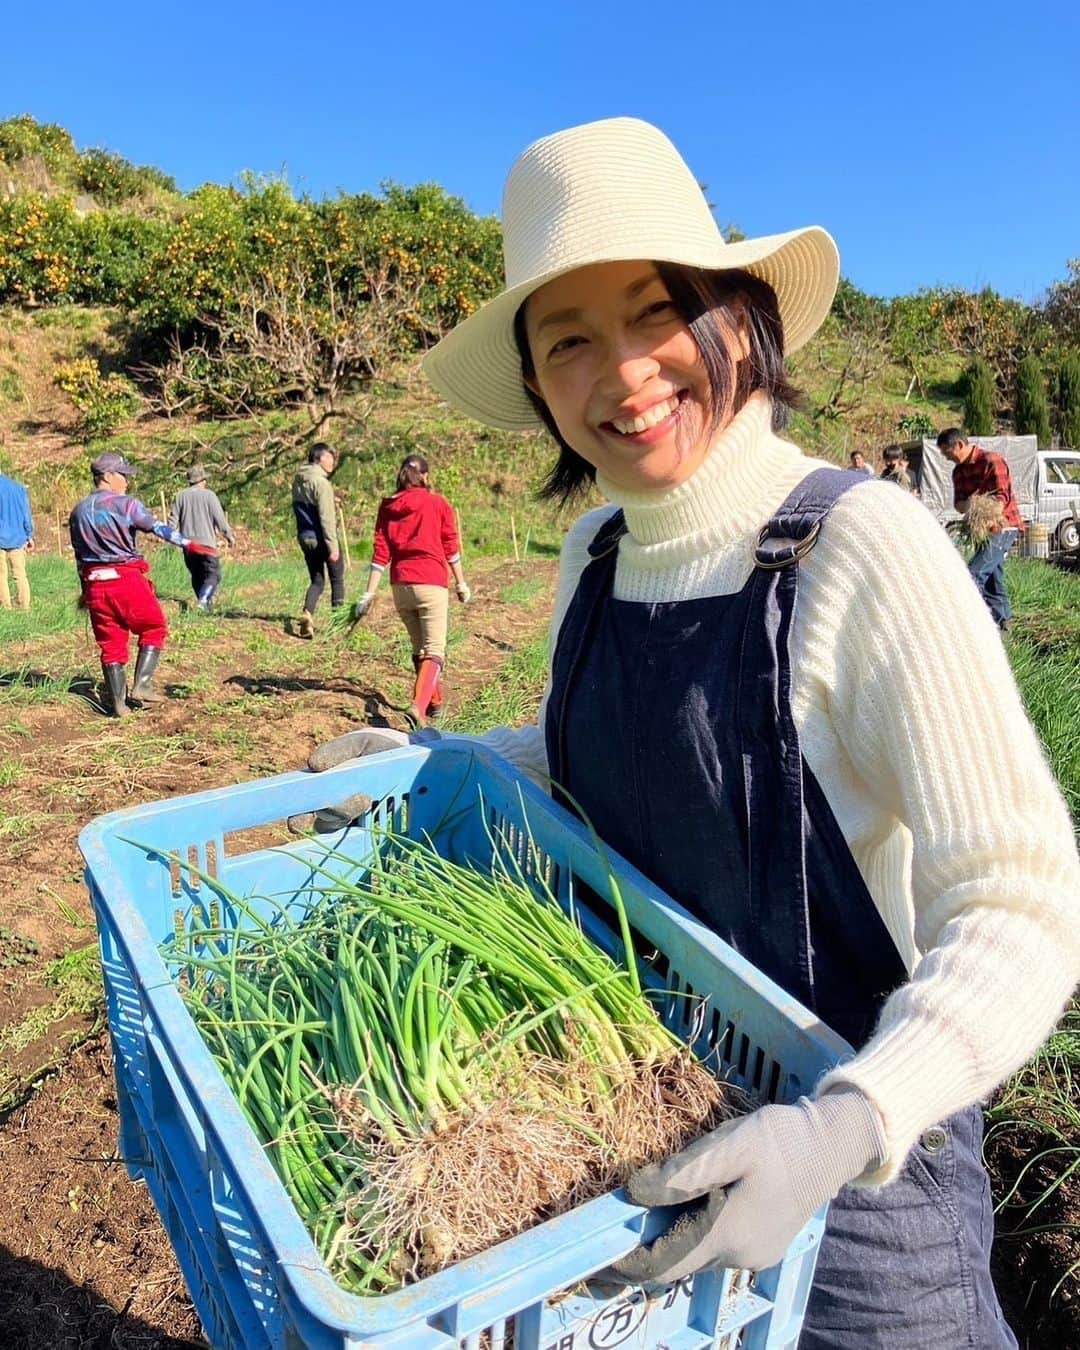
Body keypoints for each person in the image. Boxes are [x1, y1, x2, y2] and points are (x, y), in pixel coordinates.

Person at [300, 118, 1080, 1346]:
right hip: (646, 1128)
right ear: (536, 384)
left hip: (868, 1176)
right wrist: (438, 768)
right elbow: (592, 752)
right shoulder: (597, 554)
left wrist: (846, 1125)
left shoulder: (861, 547)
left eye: (657, 314)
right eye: (568, 343)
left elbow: (1026, 900)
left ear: (737, 319)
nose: (621, 375)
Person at [69, 451, 207, 715]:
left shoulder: (78, 511)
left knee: (111, 642)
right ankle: (142, 685)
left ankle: (118, 705)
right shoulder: (126, 504)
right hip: (125, 579)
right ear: (108, 476)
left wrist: (84, 590)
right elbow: (156, 527)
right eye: (123, 475)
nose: (127, 482)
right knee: (154, 626)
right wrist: (188, 543)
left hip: (95, 583)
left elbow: (79, 556)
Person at [351, 453, 470, 728]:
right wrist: (461, 583)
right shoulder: (437, 503)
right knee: (435, 651)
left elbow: (381, 552)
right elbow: (450, 546)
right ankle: (418, 706)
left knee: (420, 649)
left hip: (400, 586)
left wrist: (368, 593)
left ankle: (435, 703)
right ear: (425, 477)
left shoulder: (388, 506)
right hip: (430, 583)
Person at [938, 427, 1023, 630]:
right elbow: (959, 505)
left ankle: (964, 623)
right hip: (982, 532)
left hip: (1003, 527)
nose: (947, 458)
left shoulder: (991, 461)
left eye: (948, 453)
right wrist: (973, 504)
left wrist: (985, 512)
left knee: (975, 574)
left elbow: (1002, 498)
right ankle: (1003, 624)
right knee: (994, 578)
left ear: (959, 444)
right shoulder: (958, 471)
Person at [292, 442, 344, 638]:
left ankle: (307, 613)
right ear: (319, 458)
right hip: (322, 537)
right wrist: (333, 547)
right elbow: (326, 519)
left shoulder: (299, 480)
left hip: (305, 536)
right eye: (329, 457)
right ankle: (337, 624)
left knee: (317, 581)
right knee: (337, 579)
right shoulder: (322, 483)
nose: (332, 461)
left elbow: (309, 506)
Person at [169, 464, 234, 610]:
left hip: (188, 545)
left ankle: (204, 607)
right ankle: (203, 601)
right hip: (206, 545)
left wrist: (172, 539)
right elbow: (220, 520)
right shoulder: (209, 495)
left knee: (197, 576)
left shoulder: (180, 496)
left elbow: (172, 522)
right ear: (202, 480)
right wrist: (229, 535)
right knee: (213, 575)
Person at [0, 470, 33, 610]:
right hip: (18, 537)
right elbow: (26, 514)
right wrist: (29, 535)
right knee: (20, 574)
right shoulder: (18, 487)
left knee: (1, 575)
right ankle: (24, 607)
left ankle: (6, 607)